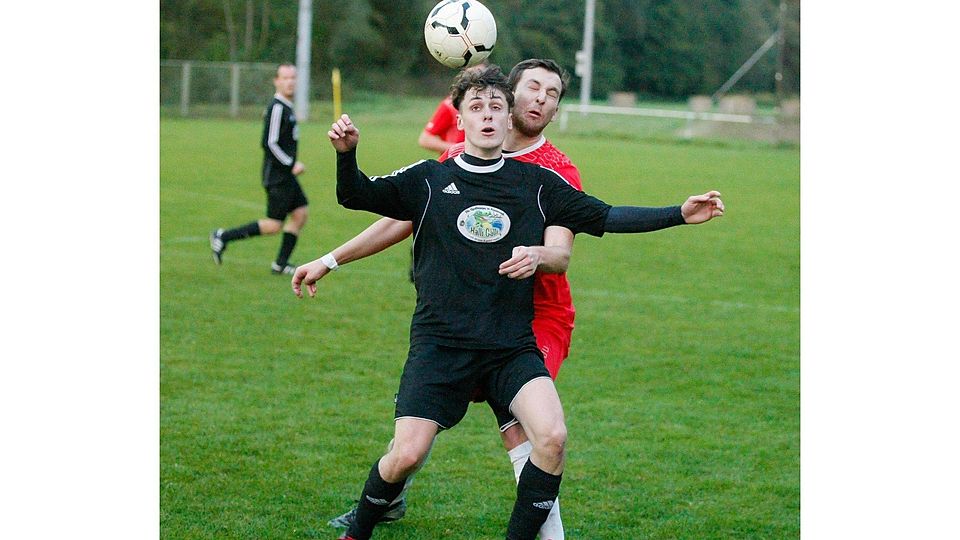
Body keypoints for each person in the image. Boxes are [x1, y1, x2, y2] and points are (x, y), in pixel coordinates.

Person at [297, 65, 723, 540]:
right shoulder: (428, 180)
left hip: (510, 346)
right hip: (442, 344)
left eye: (496, 108)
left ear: (508, 118)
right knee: (406, 455)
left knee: (551, 437)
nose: (487, 116)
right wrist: (346, 154)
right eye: (476, 108)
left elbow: (606, 216)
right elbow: (357, 194)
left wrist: (678, 215)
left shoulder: (538, 185)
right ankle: (359, 530)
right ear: (458, 119)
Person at [311, 58, 584, 539]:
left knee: (532, 432)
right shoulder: (464, 154)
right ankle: (388, 495)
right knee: (417, 437)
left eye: (554, 93)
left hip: (534, 315)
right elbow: (408, 214)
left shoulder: (556, 171)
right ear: (509, 95)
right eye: (533, 88)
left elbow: (563, 252)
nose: (541, 99)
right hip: (464, 313)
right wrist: (334, 258)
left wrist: (539, 253)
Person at [210, 63, 309, 275]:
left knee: (300, 214)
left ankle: (280, 264)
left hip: (286, 176)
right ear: (276, 81)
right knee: (274, 225)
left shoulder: (287, 108)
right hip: (277, 177)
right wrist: (292, 164)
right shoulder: (277, 108)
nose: (290, 81)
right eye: (285, 78)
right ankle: (222, 236)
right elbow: (269, 143)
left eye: (293, 77)